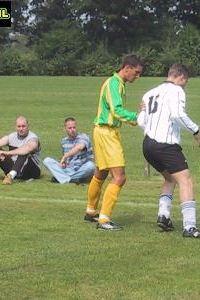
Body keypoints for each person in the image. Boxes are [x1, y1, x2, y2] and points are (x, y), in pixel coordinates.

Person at [137, 63, 200, 238]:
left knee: (169, 178)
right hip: (165, 144)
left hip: (148, 145)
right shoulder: (176, 91)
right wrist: (195, 130)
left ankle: (164, 216)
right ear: (181, 77)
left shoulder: (149, 93)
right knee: (185, 181)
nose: (184, 86)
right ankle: (190, 227)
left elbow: (141, 122)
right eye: (185, 82)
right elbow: (177, 115)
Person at [84, 54, 143, 230]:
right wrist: (137, 117)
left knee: (101, 173)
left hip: (102, 131)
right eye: (137, 72)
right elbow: (117, 111)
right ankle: (104, 219)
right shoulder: (114, 83)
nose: (138, 77)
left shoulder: (118, 83)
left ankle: (91, 212)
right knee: (119, 177)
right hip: (107, 133)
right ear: (127, 68)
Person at [43, 117, 95, 184]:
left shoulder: (83, 137)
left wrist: (65, 157)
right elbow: (65, 161)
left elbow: (79, 147)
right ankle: (71, 179)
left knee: (91, 166)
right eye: (70, 128)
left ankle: (62, 178)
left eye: (74, 127)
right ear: (65, 129)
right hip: (69, 170)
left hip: (82, 169)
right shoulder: (64, 141)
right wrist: (64, 164)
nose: (72, 130)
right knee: (47, 160)